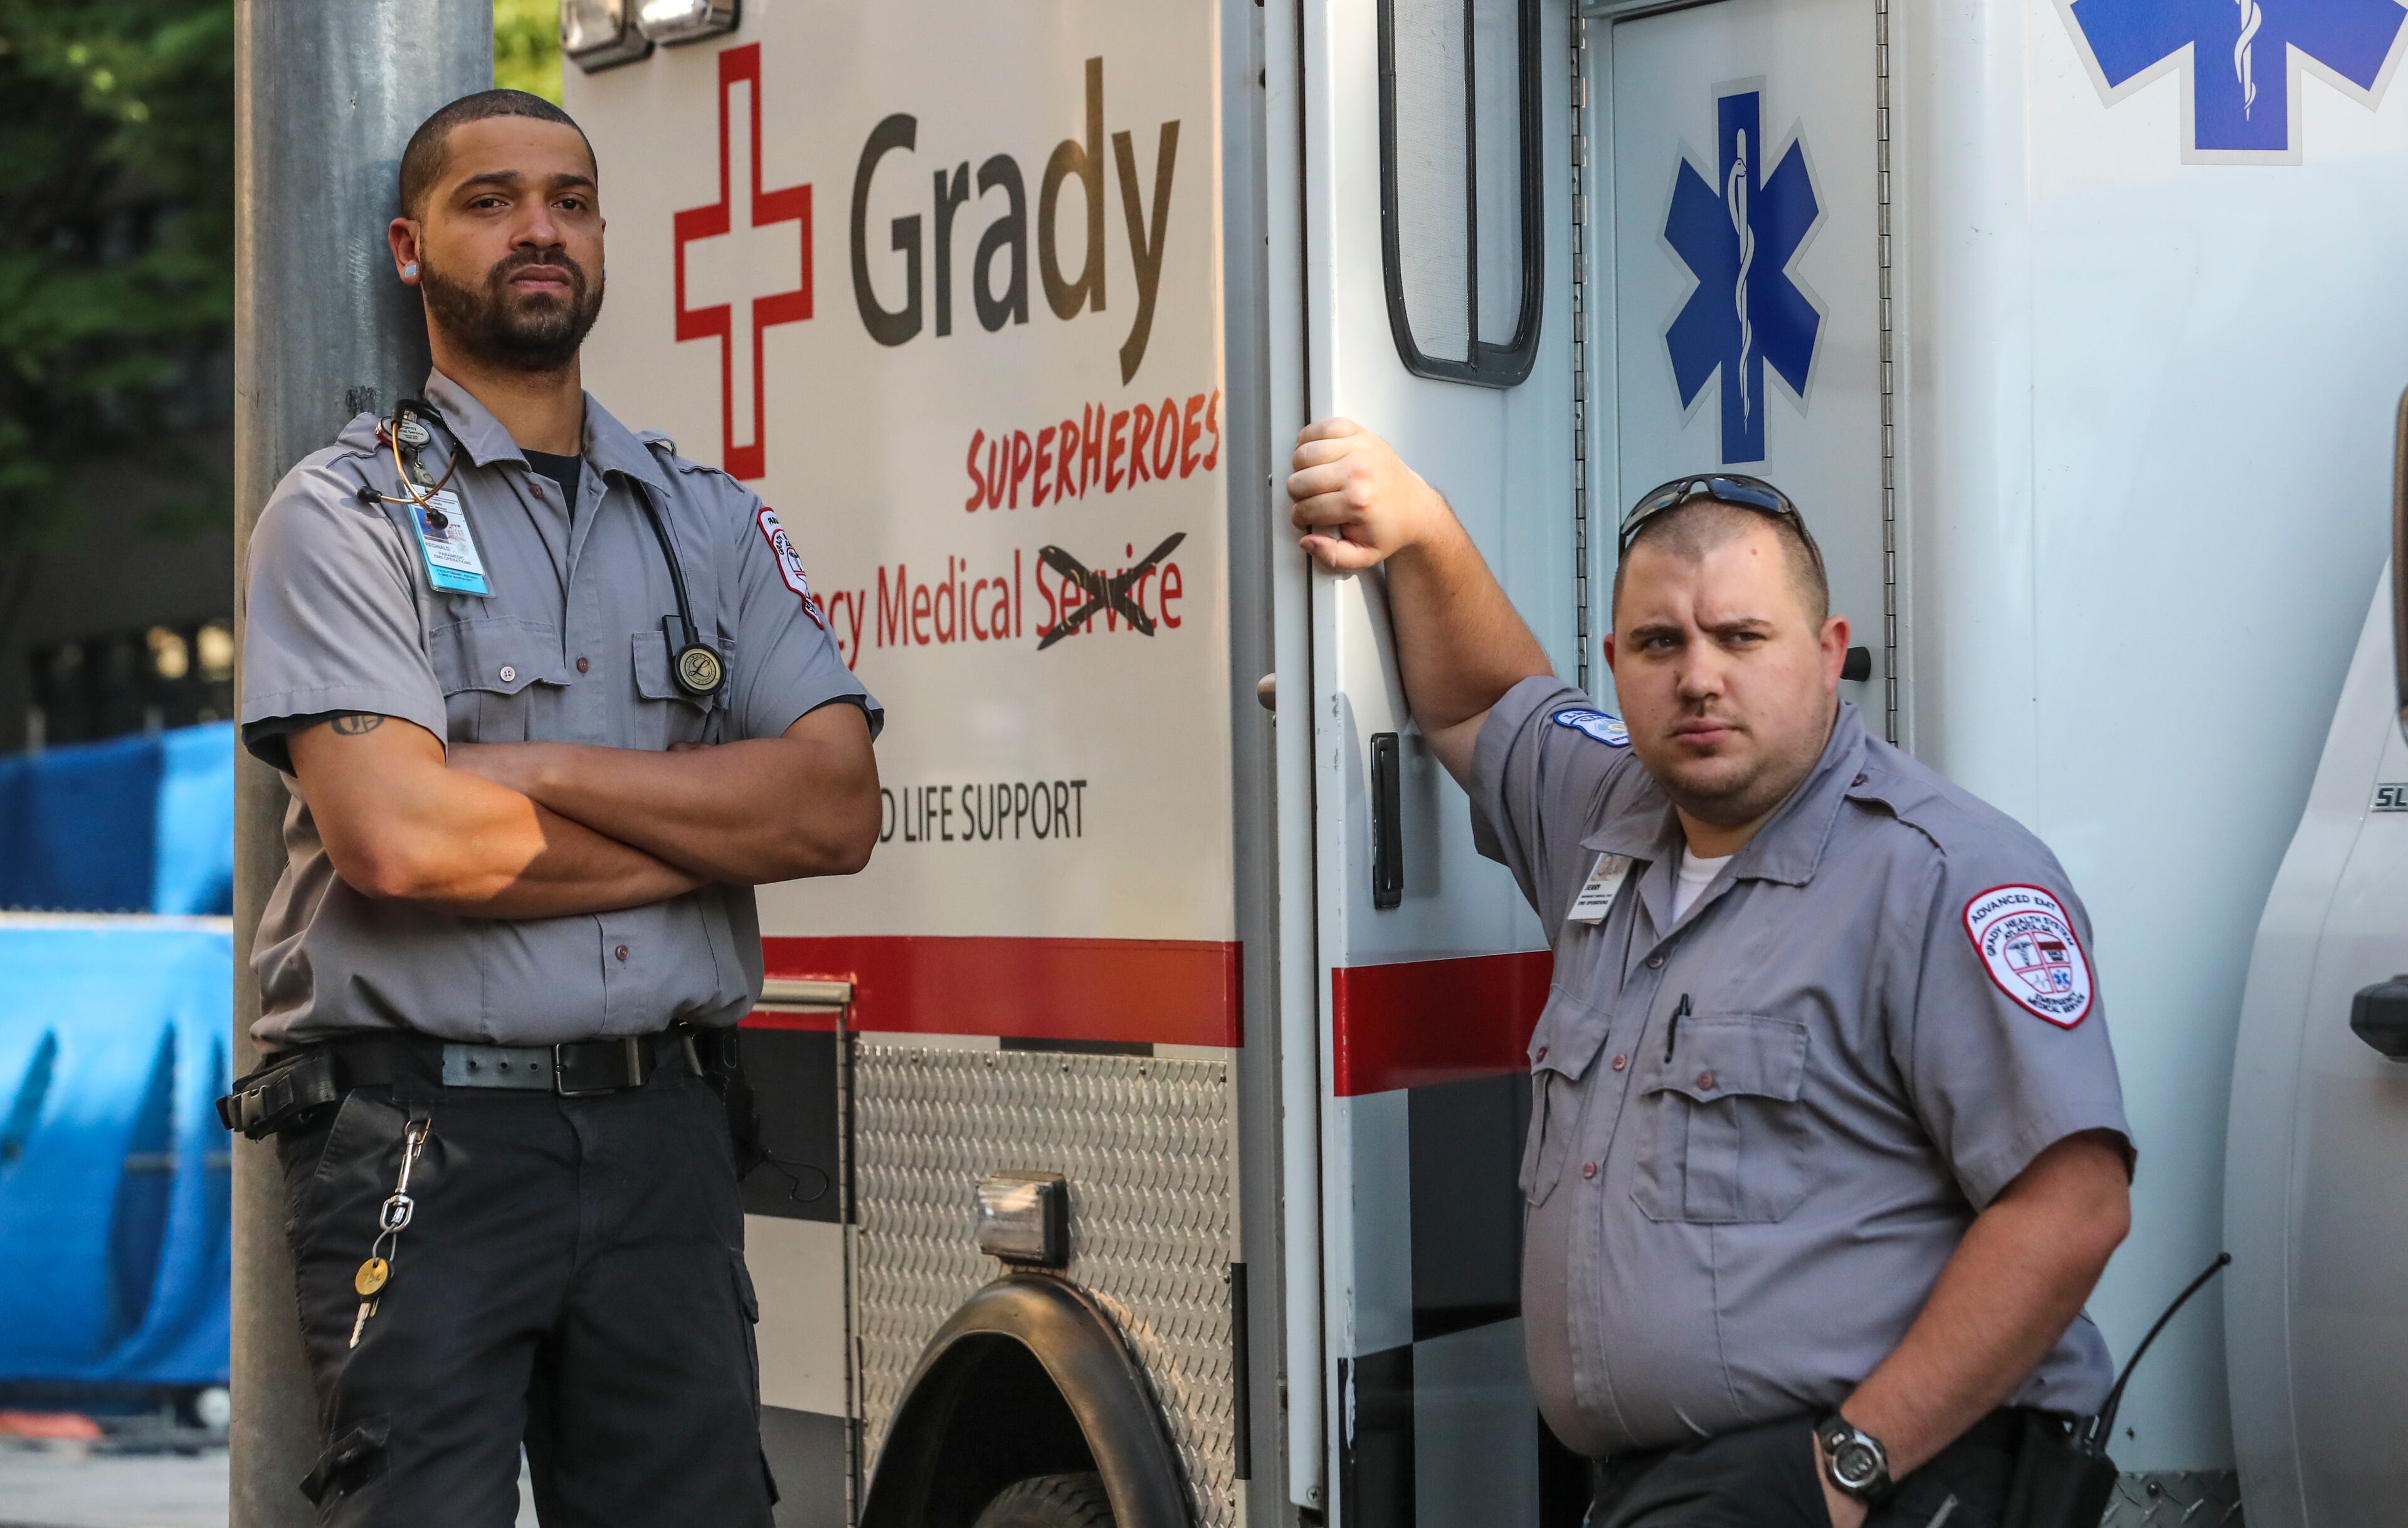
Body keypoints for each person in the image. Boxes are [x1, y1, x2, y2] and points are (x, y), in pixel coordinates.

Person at [219, 91, 879, 1526]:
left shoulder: (708, 520)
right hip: (423, 1140)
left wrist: (545, 773)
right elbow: (398, 842)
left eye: (570, 200)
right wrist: (705, 837)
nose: (540, 228)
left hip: (665, 1145)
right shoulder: (343, 518)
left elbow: (833, 811)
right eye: (492, 198)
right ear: (410, 247)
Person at [1285, 419, 2134, 1527]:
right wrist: (1421, 524)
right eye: (1659, 644)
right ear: (1615, 665)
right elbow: (1477, 702)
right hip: (1665, 1493)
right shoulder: (1606, 815)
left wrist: (1849, 1468)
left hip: (1885, 1485)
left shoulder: (1941, 876)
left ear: (1828, 652)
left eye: (1743, 638)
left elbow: (2072, 1209)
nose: (1699, 678)